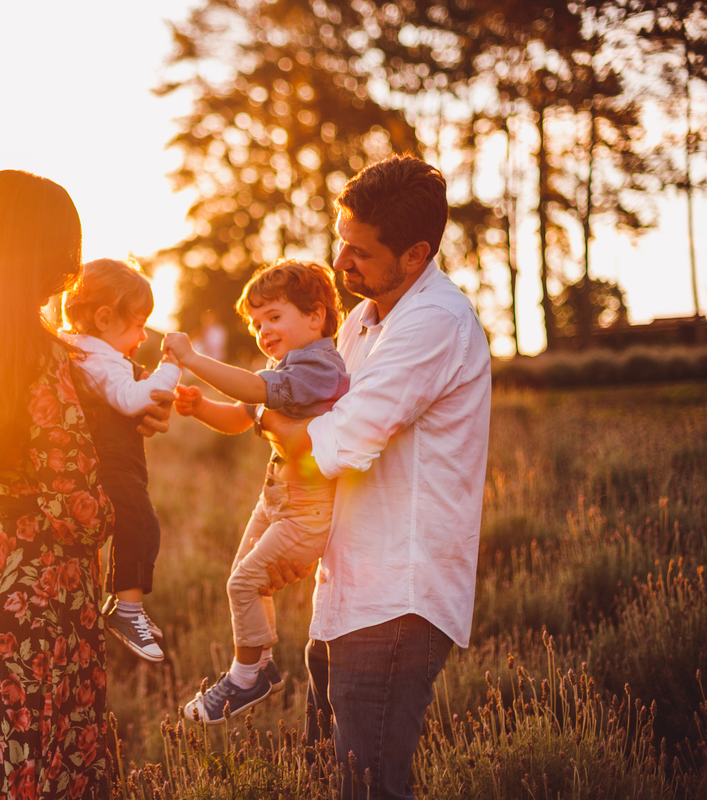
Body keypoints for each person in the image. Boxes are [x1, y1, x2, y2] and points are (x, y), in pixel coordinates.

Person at [0, 170, 173, 799]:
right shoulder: (45, 358)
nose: (70, 271)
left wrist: (118, 418)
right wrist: (123, 484)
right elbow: (80, 514)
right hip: (44, 594)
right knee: (48, 755)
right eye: (62, 251)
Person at [260, 156, 492, 799]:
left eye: (360, 251)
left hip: (397, 601)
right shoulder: (364, 320)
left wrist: (263, 417)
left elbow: (338, 440)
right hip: (345, 592)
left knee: (370, 789)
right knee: (333, 780)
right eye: (342, 241)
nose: (341, 262)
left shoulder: (434, 322)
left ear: (416, 254)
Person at [161, 260, 349, 724]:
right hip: (276, 501)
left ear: (315, 316)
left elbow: (251, 392)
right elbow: (240, 415)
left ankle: (246, 677)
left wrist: (192, 360)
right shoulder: (283, 367)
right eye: (257, 322)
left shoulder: (320, 369)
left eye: (274, 317)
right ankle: (259, 664)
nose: (263, 331)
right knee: (245, 579)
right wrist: (201, 406)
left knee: (242, 583)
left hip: (307, 511)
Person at [61, 258, 181, 663]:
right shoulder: (100, 357)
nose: (143, 335)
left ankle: (129, 608)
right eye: (137, 324)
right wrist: (173, 368)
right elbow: (130, 400)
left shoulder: (78, 350)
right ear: (104, 318)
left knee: (137, 524)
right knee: (141, 524)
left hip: (109, 462)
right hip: (113, 464)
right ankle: (127, 611)